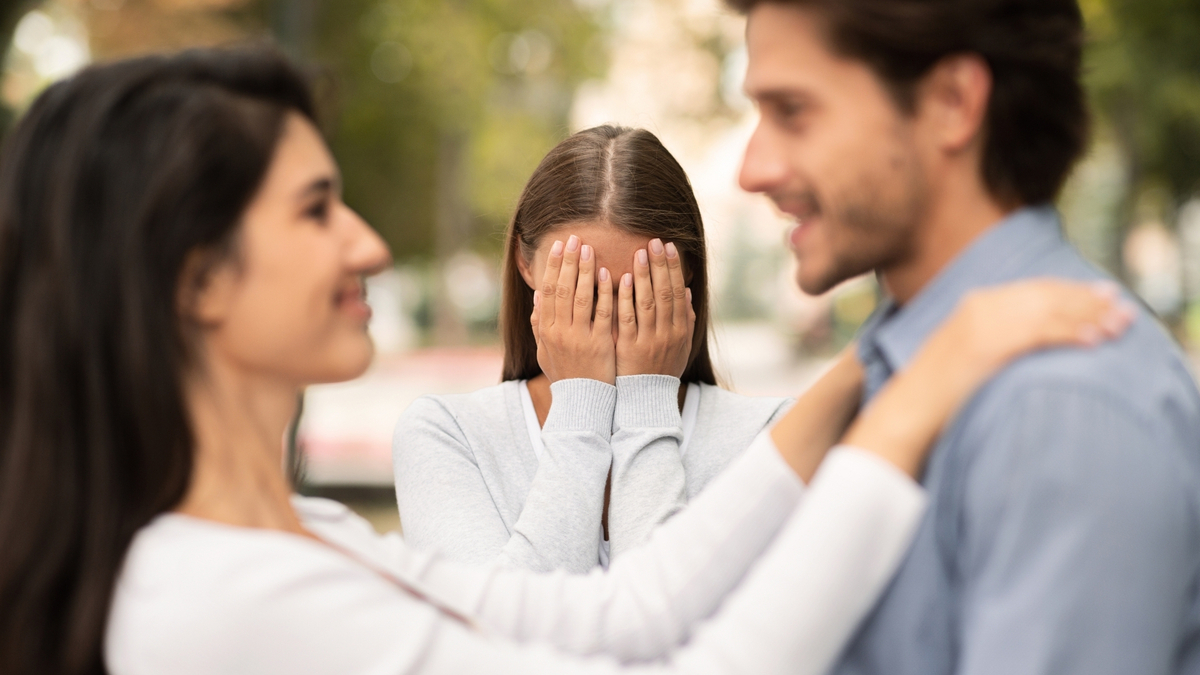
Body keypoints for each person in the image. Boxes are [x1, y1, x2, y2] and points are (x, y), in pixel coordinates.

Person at [0, 47, 1132, 675]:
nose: (370, 244)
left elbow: (621, 617)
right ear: (197, 281)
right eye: (316, 210)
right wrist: (910, 401)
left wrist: (876, 360)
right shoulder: (223, 592)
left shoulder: (313, 538)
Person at [728, 0, 1200, 673]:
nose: (754, 169)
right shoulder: (898, 364)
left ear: (953, 102)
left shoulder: (1058, 406)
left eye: (793, 111)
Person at [393, 126, 792, 573]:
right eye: (582, 289)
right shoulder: (447, 434)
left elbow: (655, 612)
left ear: (686, 274)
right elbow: (498, 627)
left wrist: (648, 398)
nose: (611, 323)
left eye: (638, 292)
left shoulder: (775, 436)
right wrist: (581, 403)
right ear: (526, 265)